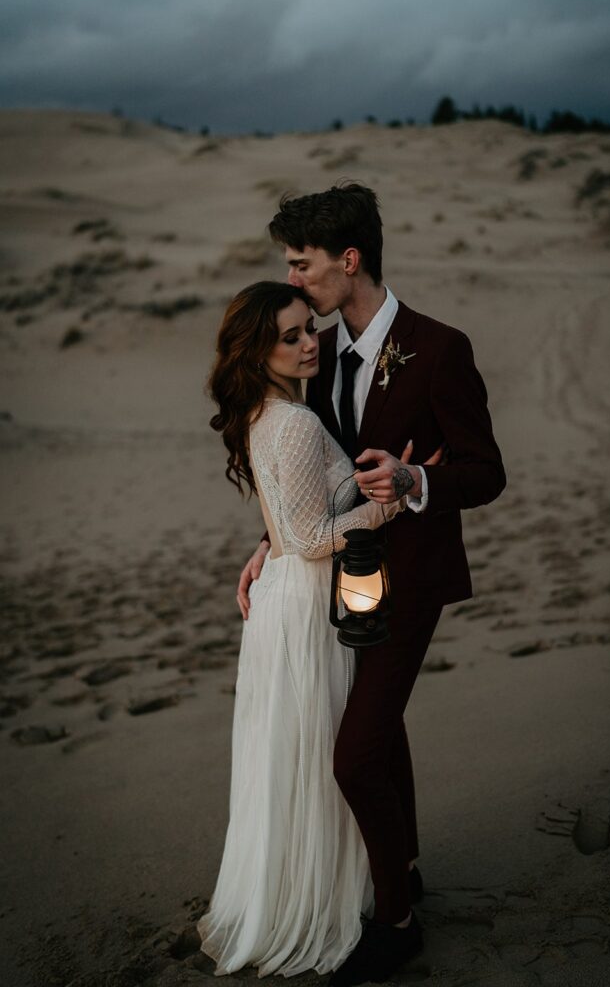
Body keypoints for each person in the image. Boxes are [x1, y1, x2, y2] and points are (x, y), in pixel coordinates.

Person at [238, 184, 506, 986]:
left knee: (354, 755)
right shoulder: (315, 354)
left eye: (302, 263)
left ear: (346, 261)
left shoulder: (439, 347)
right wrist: (270, 542)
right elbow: (313, 475)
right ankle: (408, 863)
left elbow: (486, 472)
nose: (294, 278)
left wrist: (413, 486)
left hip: (412, 575)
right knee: (378, 730)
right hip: (339, 578)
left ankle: (394, 920)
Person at [197, 280, 416, 977]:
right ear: (256, 349)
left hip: (289, 596)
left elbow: (294, 520)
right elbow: (312, 533)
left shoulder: (267, 414)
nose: (305, 344)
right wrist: (395, 502)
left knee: (299, 756)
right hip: (301, 606)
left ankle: (331, 885)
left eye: (305, 331)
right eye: (288, 337)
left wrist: (274, 541)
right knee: (317, 757)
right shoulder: (290, 422)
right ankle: (328, 900)